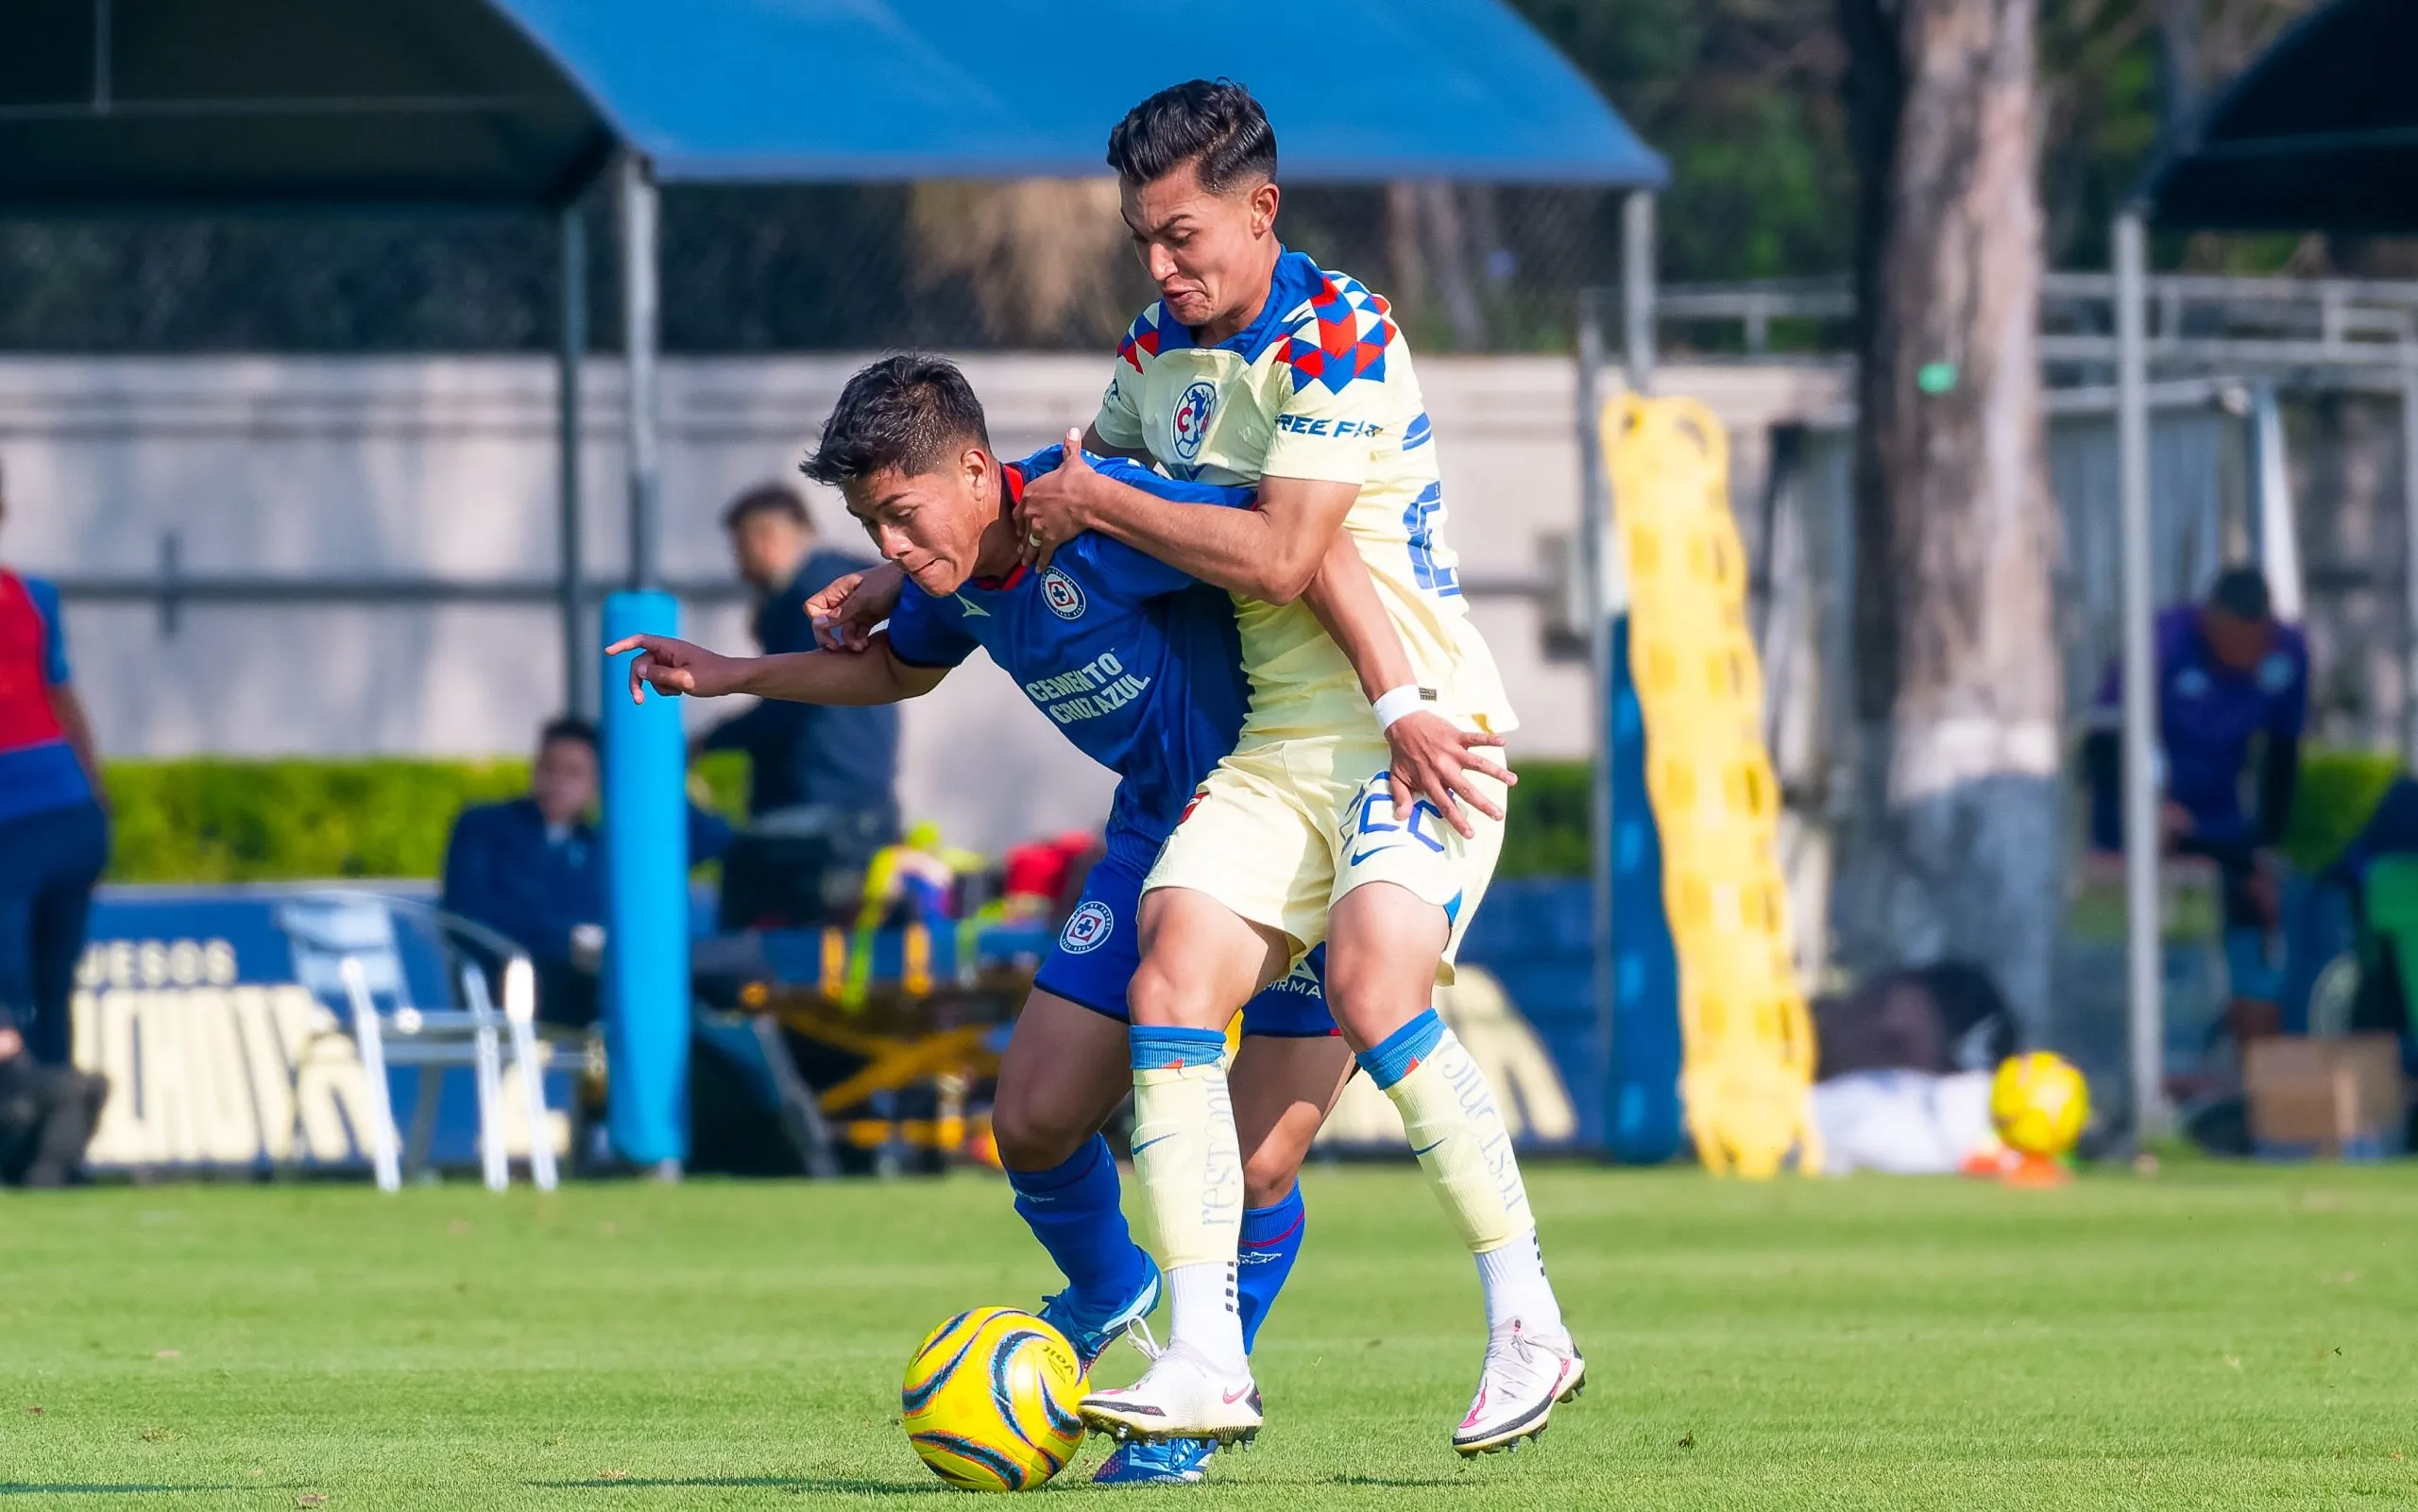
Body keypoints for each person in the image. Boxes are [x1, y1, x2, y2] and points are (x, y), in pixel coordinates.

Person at [609, 354, 1496, 1486]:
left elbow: (1295, 544)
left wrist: (1397, 703)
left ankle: (1193, 1403)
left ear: (979, 470)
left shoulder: (1100, 518)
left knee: (1261, 1163)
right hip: (1152, 841)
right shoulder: (949, 571)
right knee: (1028, 1120)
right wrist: (731, 672)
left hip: (1292, 824)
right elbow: (893, 676)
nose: (884, 544)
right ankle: (1111, 1288)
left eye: (898, 513)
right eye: (867, 522)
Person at [1010, 82, 1578, 1455]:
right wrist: (894, 574)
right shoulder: (1163, 343)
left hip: (1419, 731)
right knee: (1173, 969)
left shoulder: (1340, 333)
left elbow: (1279, 554)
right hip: (1282, 747)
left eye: (1184, 234)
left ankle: (1528, 1320)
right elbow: (1075, 489)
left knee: (1384, 985)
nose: (1160, 267)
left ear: (1262, 210)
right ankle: (1205, 1358)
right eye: (1144, 238)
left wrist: (1094, 494)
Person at [2086, 566, 2307, 1038]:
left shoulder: (2288, 653)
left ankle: (2259, 1057)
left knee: (2255, 905)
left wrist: (2267, 847)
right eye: (2235, 639)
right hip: (2141, 812)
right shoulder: (2161, 643)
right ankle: (2159, 1042)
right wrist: (2147, 805)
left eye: (2257, 641)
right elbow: (2103, 743)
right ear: (2210, 623)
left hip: (2217, 819)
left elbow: (2281, 756)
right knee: (2163, 927)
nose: (2246, 654)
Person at [442, 716, 731, 1028]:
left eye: (574, 773)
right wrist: (569, 940)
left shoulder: (599, 849)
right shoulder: (486, 827)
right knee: (632, 990)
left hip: (588, 982)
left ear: (598, 782)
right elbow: (467, 912)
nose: (557, 783)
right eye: (549, 768)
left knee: (687, 986)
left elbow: (713, 839)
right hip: (509, 977)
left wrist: (645, 774)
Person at [699, 484, 901, 851]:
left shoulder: (807, 600)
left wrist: (711, 742)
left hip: (812, 799)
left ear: (765, 537)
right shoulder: (852, 582)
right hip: (865, 796)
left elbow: (789, 697)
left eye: (740, 549)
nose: (739, 567)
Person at [0, 464, 111, 1069]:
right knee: (49, 987)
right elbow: (61, 699)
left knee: (11, 995)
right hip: (71, 814)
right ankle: (55, 1142)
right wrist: (97, 797)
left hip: (16, 819)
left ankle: (25, 1121)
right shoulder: (34, 597)